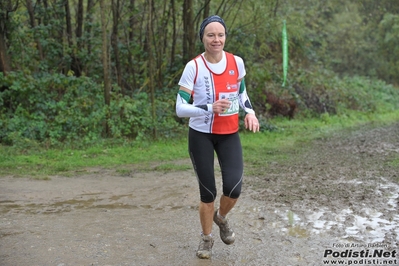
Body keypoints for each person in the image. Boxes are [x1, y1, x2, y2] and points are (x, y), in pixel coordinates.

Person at [175, 15, 260, 259]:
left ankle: (221, 218)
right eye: (210, 35)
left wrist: (250, 112)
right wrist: (207, 108)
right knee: (208, 193)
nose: (216, 39)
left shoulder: (236, 62)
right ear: (202, 37)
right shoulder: (194, 66)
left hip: (229, 134)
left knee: (234, 188)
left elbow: (241, 91)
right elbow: (180, 108)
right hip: (200, 134)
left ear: (225, 37)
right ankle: (206, 239)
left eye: (220, 35)